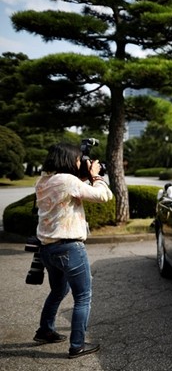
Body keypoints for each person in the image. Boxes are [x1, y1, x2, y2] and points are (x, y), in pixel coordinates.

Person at [34, 142, 114, 358]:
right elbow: (104, 196)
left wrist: (85, 176)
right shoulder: (67, 181)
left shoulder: (43, 181)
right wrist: (96, 176)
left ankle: (45, 331)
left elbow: (71, 190)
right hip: (70, 249)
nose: (80, 162)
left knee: (59, 291)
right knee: (83, 296)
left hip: (48, 250)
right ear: (69, 160)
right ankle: (77, 345)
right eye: (78, 159)